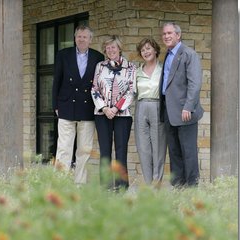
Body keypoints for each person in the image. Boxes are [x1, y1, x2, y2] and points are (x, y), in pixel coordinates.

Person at [52, 25, 104, 184]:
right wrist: (55, 105)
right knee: (64, 149)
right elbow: (56, 81)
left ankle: (79, 184)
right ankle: (60, 184)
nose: (81, 39)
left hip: (87, 109)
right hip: (66, 106)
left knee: (84, 150)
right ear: (75, 38)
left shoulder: (98, 57)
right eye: (79, 36)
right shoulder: (63, 55)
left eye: (85, 37)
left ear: (90, 39)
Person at [159, 22, 204, 187]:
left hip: (185, 112)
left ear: (178, 35)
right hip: (169, 111)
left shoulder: (188, 54)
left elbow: (195, 83)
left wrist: (188, 107)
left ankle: (192, 189)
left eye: (170, 33)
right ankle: (178, 187)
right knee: (174, 152)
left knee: (189, 152)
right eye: (164, 33)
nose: (166, 36)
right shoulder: (168, 54)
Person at [91, 35, 136, 191]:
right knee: (105, 152)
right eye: (108, 48)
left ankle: (122, 188)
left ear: (119, 48)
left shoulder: (130, 67)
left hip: (122, 116)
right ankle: (106, 188)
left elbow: (131, 91)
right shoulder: (100, 66)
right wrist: (104, 108)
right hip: (102, 115)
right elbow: (95, 88)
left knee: (121, 153)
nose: (110, 50)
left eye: (113, 47)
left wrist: (116, 108)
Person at [135, 37, 167, 186]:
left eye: (148, 48)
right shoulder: (137, 72)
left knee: (159, 147)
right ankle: (148, 184)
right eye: (142, 50)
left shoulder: (163, 69)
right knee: (144, 148)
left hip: (157, 106)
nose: (145, 52)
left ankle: (157, 183)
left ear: (155, 50)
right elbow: (131, 93)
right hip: (141, 107)